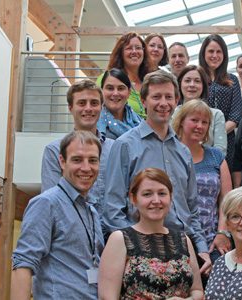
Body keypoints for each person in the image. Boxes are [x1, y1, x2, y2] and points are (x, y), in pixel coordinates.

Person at [103, 70, 212, 273]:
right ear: (144, 101)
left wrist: (202, 248)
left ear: (176, 100)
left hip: (183, 248)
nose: (163, 103)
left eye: (168, 97)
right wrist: (135, 249)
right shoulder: (125, 145)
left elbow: (191, 209)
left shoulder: (183, 151)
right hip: (142, 251)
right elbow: (112, 209)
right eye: (156, 97)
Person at [11, 131, 105, 300]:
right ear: (62, 161)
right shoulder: (46, 203)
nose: (86, 168)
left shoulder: (92, 211)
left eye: (92, 160)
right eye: (77, 160)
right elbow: (23, 264)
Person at [98, 168, 204, 299]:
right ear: (133, 198)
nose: (156, 200)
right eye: (147, 194)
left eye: (162, 193)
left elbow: (198, 291)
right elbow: (107, 297)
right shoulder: (120, 239)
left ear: (171, 197)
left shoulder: (184, 240)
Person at [41, 80, 114, 233]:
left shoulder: (116, 149)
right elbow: (53, 203)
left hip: (112, 237)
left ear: (101, 107)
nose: (88, 108)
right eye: (82, 103)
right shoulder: (54, 150)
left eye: (94, 103)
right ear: (70, 107)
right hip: (73, 236)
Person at [173, 99, 233, 261]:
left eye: (204, 122)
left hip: (212, 241)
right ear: (181, 121)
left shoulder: (216, 157)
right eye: (194, 120)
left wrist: (222, 233)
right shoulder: (169, 155)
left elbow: (226, 201)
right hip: (177, 241)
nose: (199, 126)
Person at [199, 34, 242, 169]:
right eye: (211, 51)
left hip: (226, 140)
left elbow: (235, 115)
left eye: (219, 51)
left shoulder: (232, 80)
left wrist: (216, 134)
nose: (215, 55)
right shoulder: (196, 78)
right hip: (198, 139)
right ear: (203, 54)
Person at [172, 64, 227, 154]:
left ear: (203, 86)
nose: (192, 85)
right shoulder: (172, 113)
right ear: (180, 84)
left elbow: (220, 151)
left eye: (197, 81)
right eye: (187, 81)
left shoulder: (216, 115)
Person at [107, 32, 149, 119]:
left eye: (138, 48)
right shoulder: (107, 79)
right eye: (129, 48)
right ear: (120, 53)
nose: (134, 52)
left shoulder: (149, 81)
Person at [97, 68, 142, 140]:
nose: (115, 93)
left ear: (129, 92)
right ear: (102, 91)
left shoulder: (139, 123)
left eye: (121, 88)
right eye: (110, 88)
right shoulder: (94, 124)